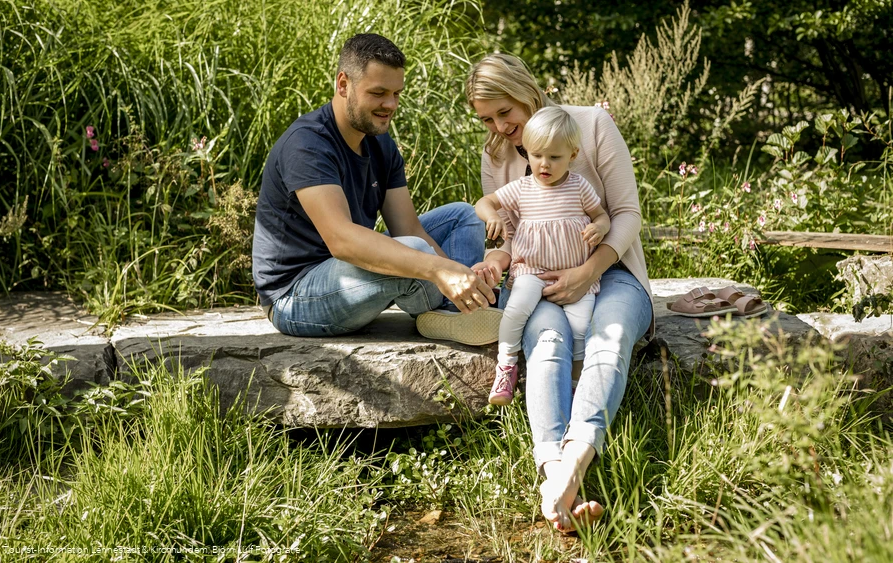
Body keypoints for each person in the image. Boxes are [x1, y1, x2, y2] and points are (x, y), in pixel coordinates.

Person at [465, 54, 654, 533]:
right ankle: (558, 476)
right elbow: (508, 234)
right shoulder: (498, 156)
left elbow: (627, 212)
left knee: (607, 337)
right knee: (547, 345)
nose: (499, 127)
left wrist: (590, 270)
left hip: (611, 272)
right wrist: (496, 259)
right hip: (540, 280)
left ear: (526, 90)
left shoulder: (592, 125)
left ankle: (568, 467)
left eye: (504, 112)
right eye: (486, 119)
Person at [251, 33, 501, 345]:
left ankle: (458, 308)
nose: (390, 105)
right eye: (379, 93)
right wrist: (440, 269)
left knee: (463, 216)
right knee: (419, 254)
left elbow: (407, 227)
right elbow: (342, 241)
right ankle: (460, 308)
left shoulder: (381, 145)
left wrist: (461, 275)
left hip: (350, 271)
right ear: (343, 85)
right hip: (296, 295)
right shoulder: (308, 144)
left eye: (397, 93)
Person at [474, 107, 611, 406]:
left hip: (575, 273)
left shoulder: (579, 187)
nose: (544, 164)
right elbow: (485, 201)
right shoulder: (523, 189)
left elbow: (602, 215)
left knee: (581, 326)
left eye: (554, 157)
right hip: (530, 270)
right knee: (517, 308)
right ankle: (506, 364)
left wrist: (599, 228)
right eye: (536, 155)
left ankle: (576, 382)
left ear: (572, 155)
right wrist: (491, 218)